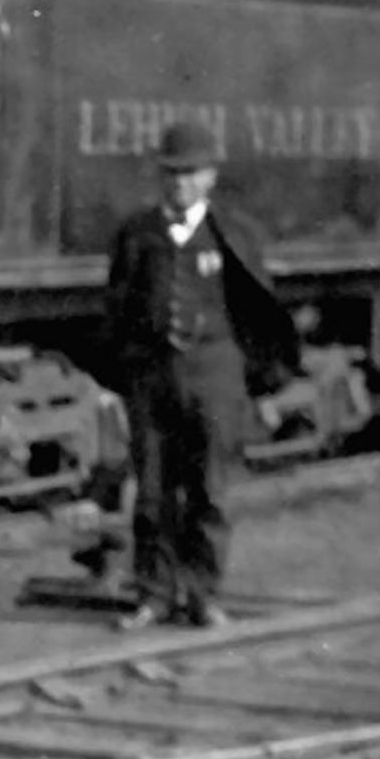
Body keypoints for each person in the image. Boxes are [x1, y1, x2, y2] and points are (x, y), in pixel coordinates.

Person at [101, 120, 301, 632]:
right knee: (152, 491)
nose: (180, 184)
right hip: (152, 376)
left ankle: (203, 593)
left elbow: (257, 310)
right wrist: (126, 371)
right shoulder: (136, 234)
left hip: (214, 374)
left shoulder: (236, 234)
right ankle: (153, 593)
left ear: (210, 178)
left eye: (191, 174)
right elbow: (117, 308)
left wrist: (256, 380)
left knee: (209, 489)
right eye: (171, 174)